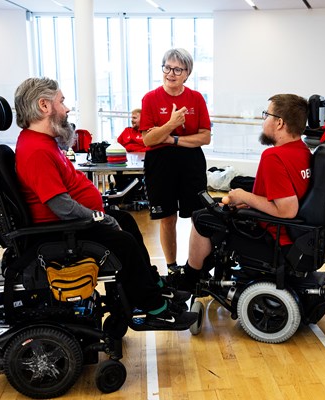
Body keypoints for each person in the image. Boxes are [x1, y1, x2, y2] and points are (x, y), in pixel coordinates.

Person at [13, 77, 196, 330]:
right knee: (124, 242)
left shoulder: (42, 142)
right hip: (60, 230)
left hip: (69, 223)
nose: (66, 109)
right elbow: (62, 207)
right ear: (44, 106)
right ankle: (153, 307)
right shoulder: (36, 151)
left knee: (127, 222)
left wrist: (101, 214)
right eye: (62, 102)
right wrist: (98, 217)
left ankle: (153, 287)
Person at [171, 94, 312, 290]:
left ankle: (190, 279)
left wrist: (243, 196)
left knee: (201, 218)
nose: (263, 120)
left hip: (274, 237)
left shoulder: (274, 156)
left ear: (279, 123)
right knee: (219, 208)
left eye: (266, 115)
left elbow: (287, 209)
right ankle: (201, 270)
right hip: (295, 234)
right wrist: (248, 201)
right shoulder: (302, 151)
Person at [139, 48, 211, 274]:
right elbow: (149, 140)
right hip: (160, 162)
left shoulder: (196, 98)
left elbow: (205, 137)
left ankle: (196, 266)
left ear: (187, 73)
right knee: (166, 217)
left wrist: (173, 138)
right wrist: (170, 124)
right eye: (167, 67)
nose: (171, 73)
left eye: (177, 69)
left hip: (191, 161)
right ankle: (172, 267)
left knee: (199, 216)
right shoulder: (150, 99)